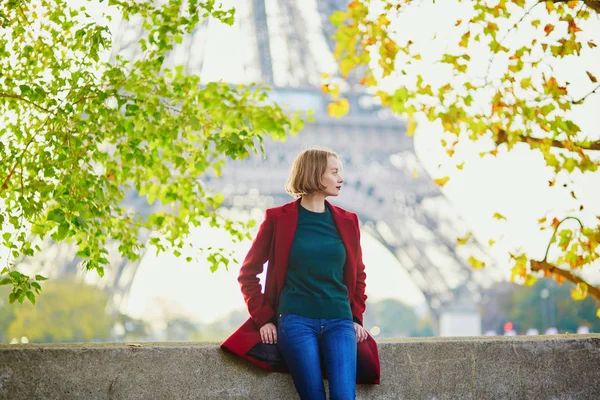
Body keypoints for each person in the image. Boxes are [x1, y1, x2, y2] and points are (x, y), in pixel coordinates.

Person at [221, 147, 380, 399]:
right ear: (316, 174)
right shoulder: (277, 219)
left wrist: (356, 317)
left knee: (344, 396)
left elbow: (359, 275)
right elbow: (248, 274)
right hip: (296, 322)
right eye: (334, 172)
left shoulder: (348, 220)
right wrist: (263, 318)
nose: (341, 178)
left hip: (340, 321)